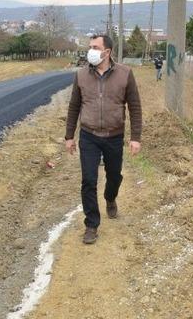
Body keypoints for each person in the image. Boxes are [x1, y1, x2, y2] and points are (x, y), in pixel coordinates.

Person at [64, 34, 143, 245]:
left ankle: (110, 198)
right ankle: (91, 224)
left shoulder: (125, 74)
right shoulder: (81, 76)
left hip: (114, 136)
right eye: (89, 46)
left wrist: (135, 137)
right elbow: (74, 107)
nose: (90, 50)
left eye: (95, 47)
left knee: (114, 176)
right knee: (88, 180)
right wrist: (69, 136)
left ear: (106, 52)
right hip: (89, 136)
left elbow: (134, 107)